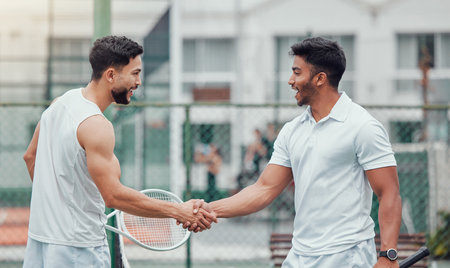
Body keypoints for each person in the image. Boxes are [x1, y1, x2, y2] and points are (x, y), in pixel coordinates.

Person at [190, 37, 402, 268]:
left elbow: (389, 193)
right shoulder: (292, 131)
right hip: (300, 255)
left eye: (297, 73)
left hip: (347, 254)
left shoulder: (363, 126)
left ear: (320, 78)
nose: (291, 81)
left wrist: (388, 256)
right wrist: (209, 210)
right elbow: (264, 189)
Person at [22, 35, 216, 268]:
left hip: (40, 243)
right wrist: (179, 211)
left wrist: (57, 207)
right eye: (135, 73)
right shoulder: (96, 124)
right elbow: (114, 195)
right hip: (79, 250)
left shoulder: (58, 104)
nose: (139, 81)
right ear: (111, 75)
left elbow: (30, 157)